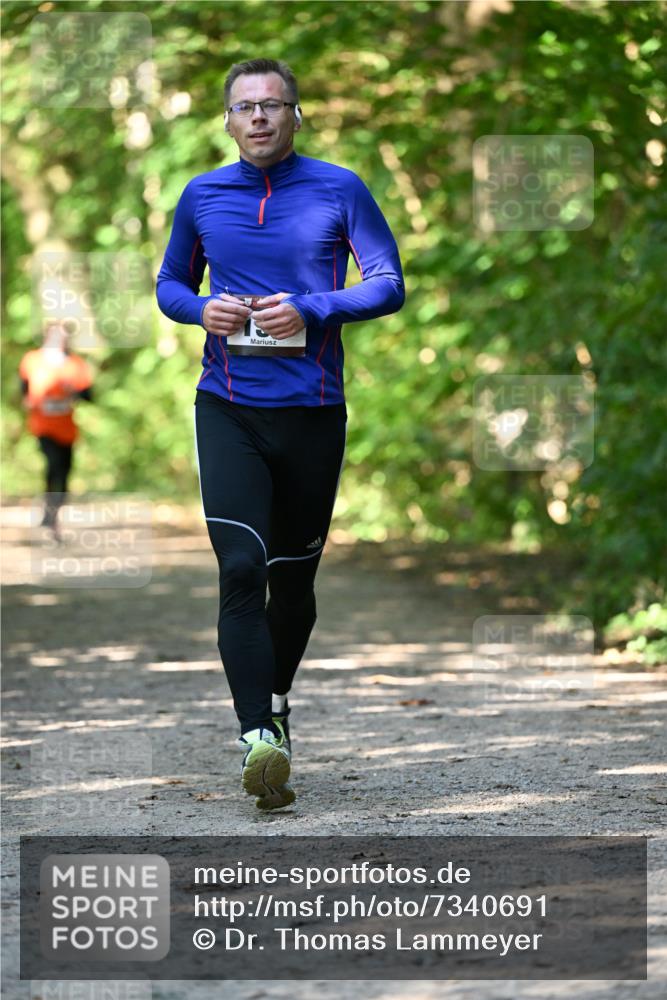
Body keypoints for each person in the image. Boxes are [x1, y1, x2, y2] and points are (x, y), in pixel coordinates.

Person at [156, 58, 405, 810]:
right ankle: (256, 735)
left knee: (292, 582)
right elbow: (170, 284)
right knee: (241, 566)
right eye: (244, 107)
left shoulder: (339, 187)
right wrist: (203, 311)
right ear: (228, 122)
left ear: (296, 116)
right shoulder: (201, 195)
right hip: (227, 406)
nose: (259, 118)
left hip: (312, 412)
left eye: (273, 105)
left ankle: (279, 700)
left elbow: (388, 282)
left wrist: (313, 307)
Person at [19, 322, 94, 539]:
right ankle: (50, 519)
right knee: (53, 467)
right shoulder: (32, 360)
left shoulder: (75, 365)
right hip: (42, 427)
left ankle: (52, 515)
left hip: (67, 430)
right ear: (46, 337)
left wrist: (74, 393)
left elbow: (89, 395)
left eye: (63, 337)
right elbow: (23, 388)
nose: (59, 341)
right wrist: (29, 400)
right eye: (55, 336)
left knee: (64, 473)